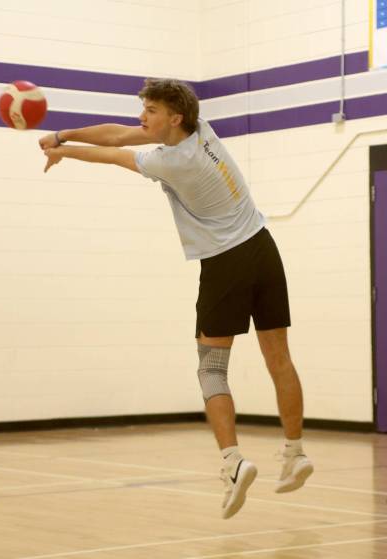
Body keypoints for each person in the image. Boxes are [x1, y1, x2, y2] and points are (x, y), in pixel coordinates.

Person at [39, 78, 314, 519]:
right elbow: (116, 133)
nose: (141, 117)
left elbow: (113, 153)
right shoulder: (201, 130)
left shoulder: (171, 162)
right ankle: (296, 452)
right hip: (263, 246)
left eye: (149, 110)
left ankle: (232, 463)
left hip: (225, 261)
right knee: (278, 356)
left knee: (211, 367)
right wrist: (64, 133)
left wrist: (64, 151)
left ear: (174, 117)